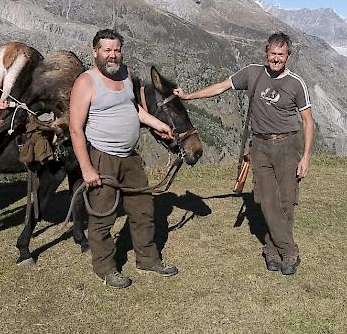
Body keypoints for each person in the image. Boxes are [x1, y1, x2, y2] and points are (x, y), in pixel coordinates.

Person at [173, 32, 313, 275]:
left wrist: (306, 157)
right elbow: (221, 87)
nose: (276, 58)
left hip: (287, 147)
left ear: (288, 56)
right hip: (260, 147)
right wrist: (188, 96)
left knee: (287, 202)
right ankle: (289, 251)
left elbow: (308, 122)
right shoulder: (252, 73)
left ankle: (271, 249)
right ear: (266, 53)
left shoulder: (296, 84)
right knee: (268, 202)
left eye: (281, 54)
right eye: (273, 54)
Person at [69, 29, 179, 288]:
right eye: (107, 50)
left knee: (143, 210)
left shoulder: (126, 74)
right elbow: (75, 128)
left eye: (116, 49)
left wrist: (156, 124)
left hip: (130, 158)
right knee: (103, 216)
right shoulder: (86, 82)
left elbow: (133, 108)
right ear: (95, 52)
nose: (112, 55)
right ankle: (106, 268)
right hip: (102, 158)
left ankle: (148, 258)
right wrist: (86, 168)